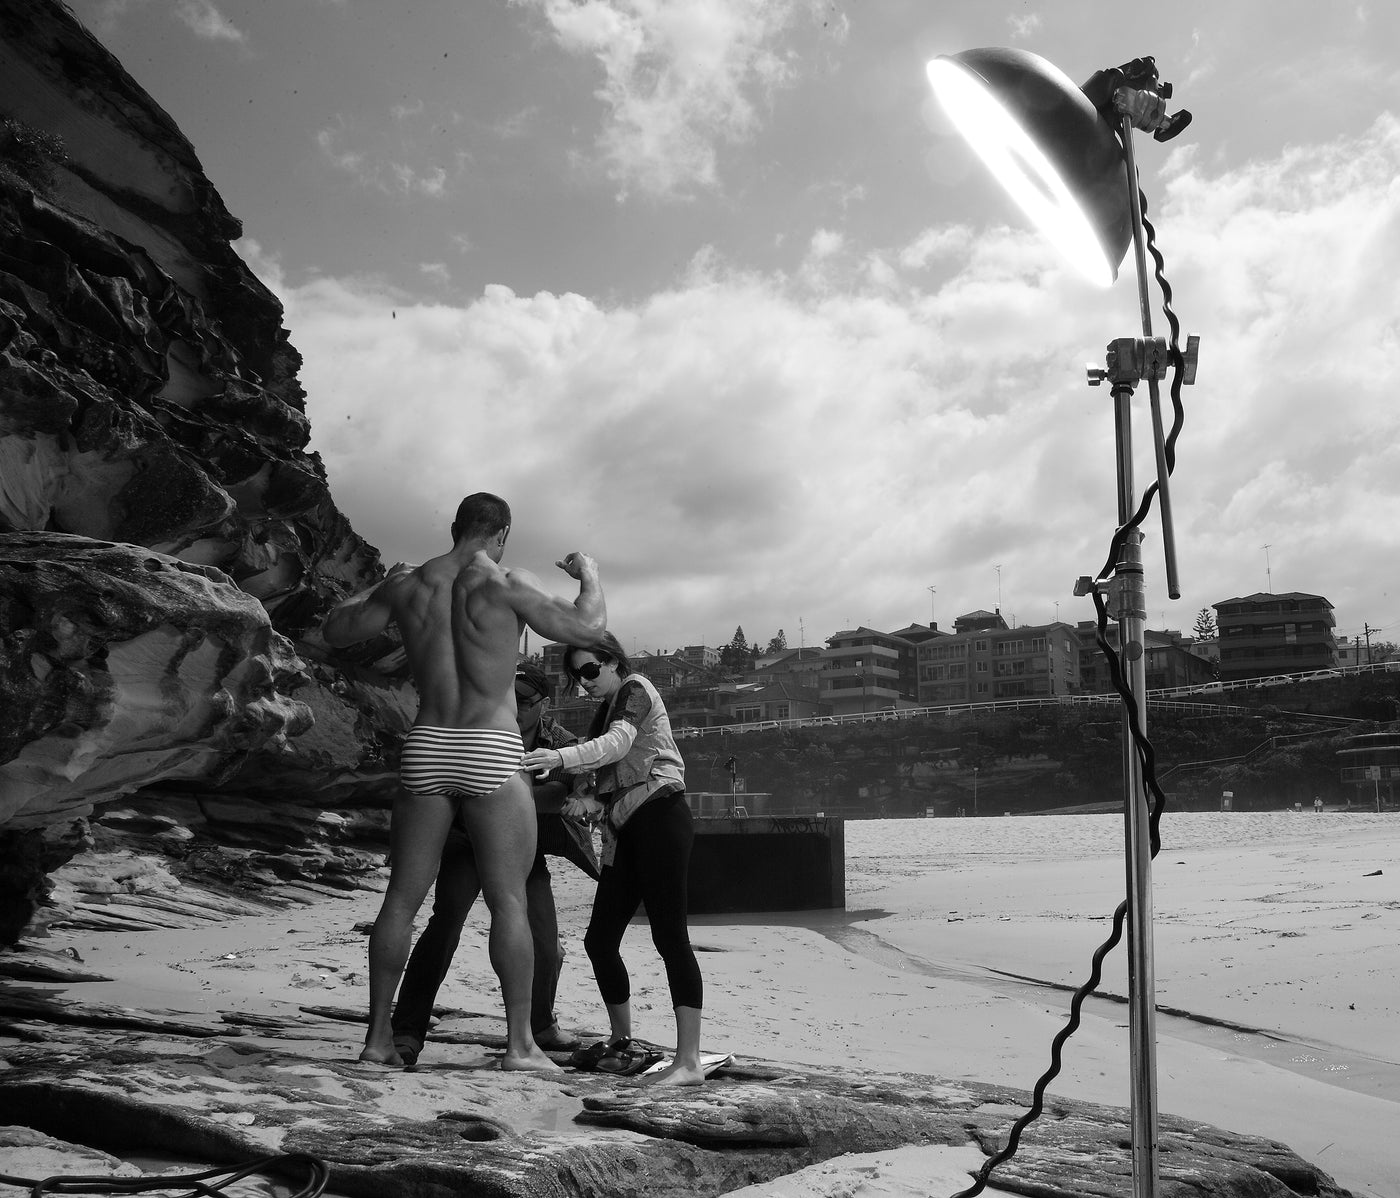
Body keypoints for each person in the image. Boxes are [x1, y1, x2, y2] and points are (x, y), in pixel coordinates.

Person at [321, 492, 605, 1070]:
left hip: (428, 745)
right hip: (490, 747)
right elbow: (588, 628)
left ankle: (378, 1041)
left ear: (453, 528)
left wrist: (379, 587)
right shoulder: (503, 581)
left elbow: (337, 631)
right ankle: (520, 1045)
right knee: (508, 903)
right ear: (500, 533)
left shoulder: (410, 584)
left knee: (400, 901)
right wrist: (590, 575)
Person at [389, 661, 600, 1066]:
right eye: (506, 696)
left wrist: (505, 803)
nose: (512, 707)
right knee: (444, 928)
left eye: (522, 700)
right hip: (466, 840)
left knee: (545, 945)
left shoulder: (560, 742)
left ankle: (539, 1025)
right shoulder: (476, 729)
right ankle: (407, 1030)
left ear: (544, 703)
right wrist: (507, 800)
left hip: (522, 848)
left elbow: (572, 788)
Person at [521, 632, 705, 1086]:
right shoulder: (606, 709)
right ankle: (622, 1040)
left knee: (670, 938)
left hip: (661, 817)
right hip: (624, 831)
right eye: (576, 676)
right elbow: (607, 776)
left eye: (590, 671)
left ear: (613, 661)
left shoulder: (636, 690)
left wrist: (559, 755)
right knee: (599, 940)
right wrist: (587, 799)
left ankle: (689, 1061)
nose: (584, 683)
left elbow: (620, 744)